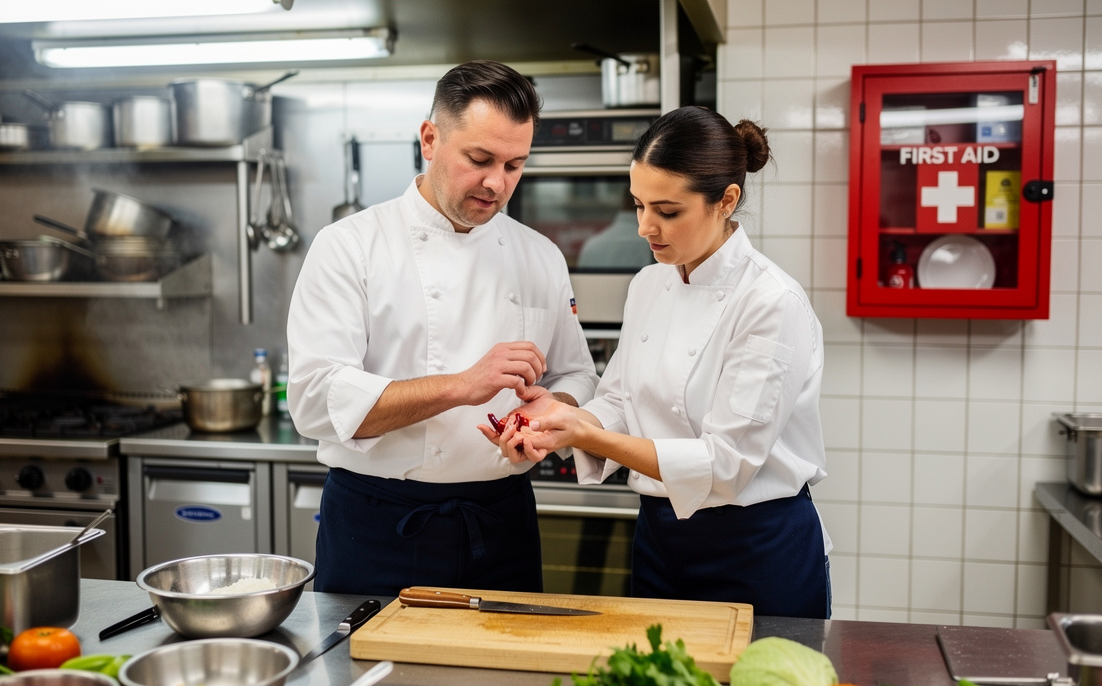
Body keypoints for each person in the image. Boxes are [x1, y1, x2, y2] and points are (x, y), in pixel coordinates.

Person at [486, 106, 832, 618]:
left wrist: (584, 434)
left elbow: (726, 465)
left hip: (756, 546)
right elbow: (620, 400)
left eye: (668, 211)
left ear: (726, 200)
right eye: (639, 205)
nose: (646, 227)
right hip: (659, 538)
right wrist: (559, 418)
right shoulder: (650, 283)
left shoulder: (769, 302)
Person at [287, 60, 600, 596]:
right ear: (430, 139)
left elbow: (578, 377)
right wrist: (461, 385)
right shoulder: (349, 246)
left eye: (515, 165)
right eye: (479, 159)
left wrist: (547, 416)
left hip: (503, 525)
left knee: (508, 680)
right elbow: (314, 402)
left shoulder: (540, 256)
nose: (497, 183)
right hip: (379, 526)